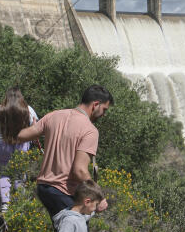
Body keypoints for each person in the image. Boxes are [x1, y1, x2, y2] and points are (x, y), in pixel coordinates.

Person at [16, 84, 113, 222]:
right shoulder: (90, 130)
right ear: (95, 104)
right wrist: (99, 196)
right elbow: (79, 170)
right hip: (63, 191)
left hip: (43, 188)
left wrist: (9, 118)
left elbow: (21, 135)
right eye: (104, 109)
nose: (104, 114)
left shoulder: (54, 115)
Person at [0, 87, 38, 212]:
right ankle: (20, 200)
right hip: (22, 143)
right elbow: (35, 125)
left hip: (3, 143)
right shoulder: (28, 109)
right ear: (21, 97)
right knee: (20, 173)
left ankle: (5, 203)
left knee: (5, 173)